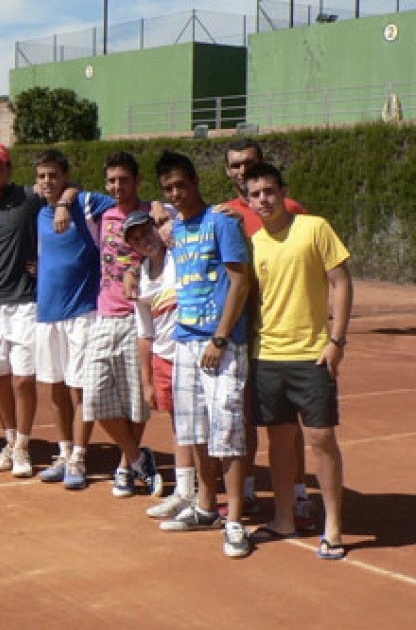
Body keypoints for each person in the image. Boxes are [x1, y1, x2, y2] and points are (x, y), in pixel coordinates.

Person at [243, 162, 352, 560]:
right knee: (279, 439)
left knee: (321, 438)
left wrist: (337, 340)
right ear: (248, 199)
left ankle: (333, 525)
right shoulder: (253, 244)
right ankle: (284, 518)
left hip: (313, 356)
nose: (264, 200)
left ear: (282, 191)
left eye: (269, 191)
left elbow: (341, 282)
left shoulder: (314, 227)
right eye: (255, 194)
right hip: (267, 357)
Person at [155, 150, 252, 559]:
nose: (176, 193)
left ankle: (235, 521)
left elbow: (240, 281)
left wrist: (220, 337)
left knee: (226, 431)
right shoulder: (176, 226)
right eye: (168, 188)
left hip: (221, 345)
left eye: (181, 185)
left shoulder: (221, 222)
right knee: (194, 430)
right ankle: (207, 507)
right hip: (185, 340)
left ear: (195, 181)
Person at [222, 137, 314, 529]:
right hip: (244, 334)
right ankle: (243, 490)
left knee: (287, 426)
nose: (242, 172)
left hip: (285, 338)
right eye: (236, 166)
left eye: (249, 164)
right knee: (243, 419)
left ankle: (298, 495)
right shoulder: (224, 216)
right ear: (228, 172)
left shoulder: (291, 210)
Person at [0, 143, 78, 478]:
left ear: (9, 169)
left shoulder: (29, 197)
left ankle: (22, 446)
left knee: (22, 380)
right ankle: (9, 440)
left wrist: (62, 202)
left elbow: (68, 187)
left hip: (24, 303)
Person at [67, 152, 162, 495]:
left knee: (136, 401)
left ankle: (125, 467)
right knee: (93, 396)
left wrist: (161, 209)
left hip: (139, 318)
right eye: (112, 180)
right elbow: (70, 189)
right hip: (105, 316)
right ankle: (137, 457)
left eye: (124, 179)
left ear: (137, 181)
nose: (117, 186)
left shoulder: (154, 214)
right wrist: (64, 205)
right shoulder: (101, 213)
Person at [30, 149, 115, 488]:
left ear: (65, 177)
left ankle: (79, 458)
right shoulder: (37, 211)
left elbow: (122, 202)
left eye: (53, 175)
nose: (47, 181)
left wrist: (69, 199)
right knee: (55, 388)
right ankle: (64, 453)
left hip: (82, 313)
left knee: (79, 389)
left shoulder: (87, 206)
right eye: (42, 176)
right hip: (47, 314)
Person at [123, 210, 198, 518]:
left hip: (190, 352)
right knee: (178, 424)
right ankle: (185, 491)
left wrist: (166, 214)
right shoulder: (140, 277)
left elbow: (181, 216)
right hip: (163, 357)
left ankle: (199, 491)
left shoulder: (178, 257)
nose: (145, 241)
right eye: (137, 239)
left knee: (196, 424)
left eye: (147, 232)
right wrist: (147, 380)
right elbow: (145, 334)